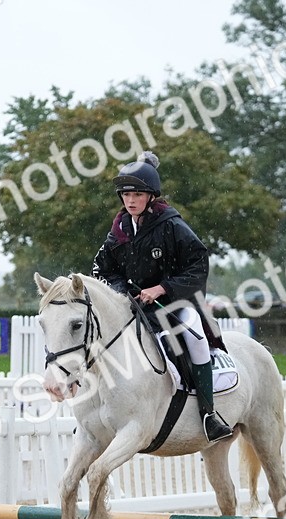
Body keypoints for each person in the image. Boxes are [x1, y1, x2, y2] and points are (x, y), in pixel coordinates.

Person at [92, 151, 232, 442]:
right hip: (134, 305)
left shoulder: (171, 225)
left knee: (195, 338)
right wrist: (122, 293)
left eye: (137, 194)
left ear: (151, 196)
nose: (130, 200)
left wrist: (163, 288)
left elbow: (198, 263)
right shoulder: (118, 231)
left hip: (174, 303)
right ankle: (94, 416)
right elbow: (102, 269)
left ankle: (209, 414)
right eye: (126, 194)